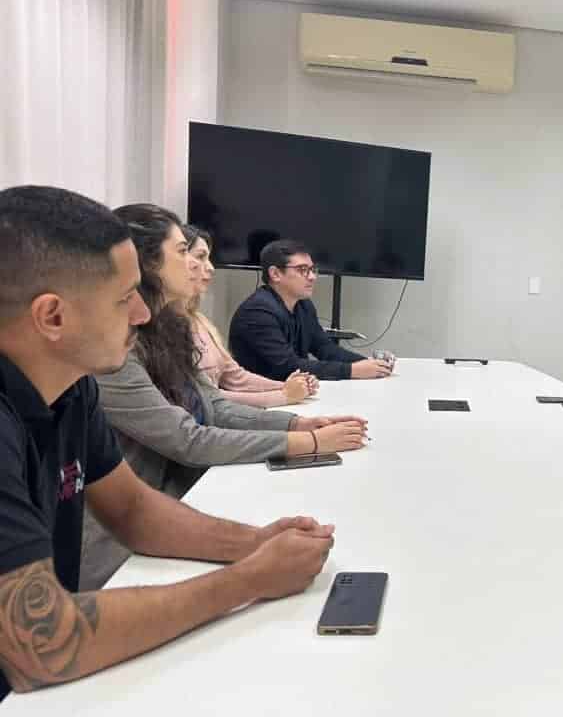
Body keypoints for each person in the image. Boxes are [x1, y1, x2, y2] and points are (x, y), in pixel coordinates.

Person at [0, 186, 335, 701]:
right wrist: (248, 579)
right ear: (52, 317)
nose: (141, 313)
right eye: (124, 298)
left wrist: (256, 542)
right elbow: (44, 645)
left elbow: (132, 509)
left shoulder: (71, 385)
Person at [85, 205, 368, 589]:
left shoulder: (170, 328)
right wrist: (309, 442)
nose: (199, 266)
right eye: (185, 252)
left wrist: (298, 425)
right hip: (124, 546)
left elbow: (213, 406)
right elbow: (186, 439)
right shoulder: (111, 352)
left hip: (179, 500)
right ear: (145, 265)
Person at [184, 225, 318, 408]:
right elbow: (203, 396)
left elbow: (234, 377)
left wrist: (286, 387)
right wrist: (283, 395)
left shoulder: (200, 322)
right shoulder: (257, 311)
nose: (211, 268)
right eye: (200, 257)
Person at [229, 240, 394, 381]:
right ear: (275, 274)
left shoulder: (303, 305)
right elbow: (288, 366)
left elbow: (325, 349)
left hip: (291, 392)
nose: (312, 277)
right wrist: (352, 370)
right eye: (302, 270)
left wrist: (370, 364)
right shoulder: (257, 313)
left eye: (313, 269)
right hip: (261, 397)